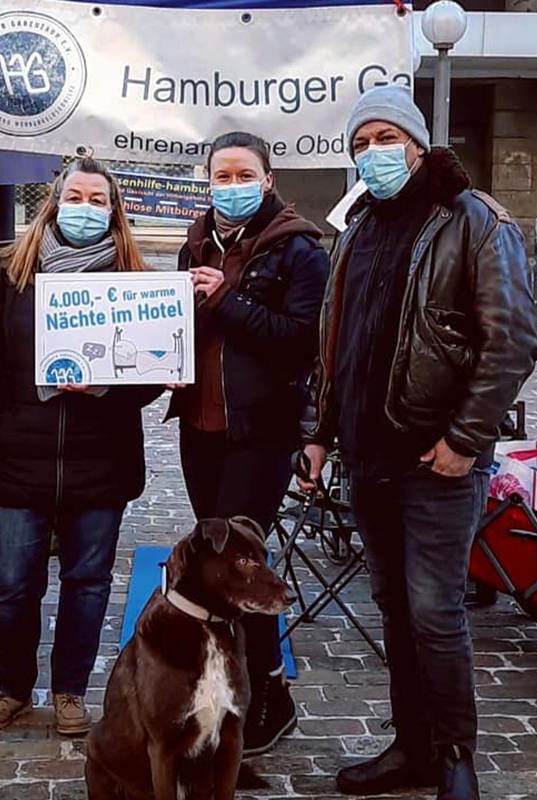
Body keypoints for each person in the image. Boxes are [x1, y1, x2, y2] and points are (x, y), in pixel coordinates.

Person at [300, 85, 537, 800]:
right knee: (396, 610)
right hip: (366, 457)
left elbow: (513, 341)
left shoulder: (474, 222)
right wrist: (319, 434)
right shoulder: (356, 230)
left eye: (385, 138)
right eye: (359, 144)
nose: (372, 153)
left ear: (416, 143)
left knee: (436, 612)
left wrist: (465, 439)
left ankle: (455, 755)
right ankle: (411, 746)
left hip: (438, 461)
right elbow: (335, 346)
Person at [0, 157, 162, 736]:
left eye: (98, 200)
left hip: (101, 461)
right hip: (16, 460)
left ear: (114, 212)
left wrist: (109, 385)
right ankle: (13, 689)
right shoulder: (9, 273)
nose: (85, 209)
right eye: (76, 197)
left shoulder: (135, 281)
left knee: (88, 583)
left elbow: (150, 375)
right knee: (11, 586)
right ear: (54, 203)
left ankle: (70, 690)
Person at [166, 131, 328, 756]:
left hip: (259, 433)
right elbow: (182, 326)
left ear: (267, 180)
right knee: (213, 563)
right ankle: (227, 682)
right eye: (221, 176)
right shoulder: (196, 242)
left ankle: (270, 690)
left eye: (243, 175)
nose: (231, 187)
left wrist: (227, 300)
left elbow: (301, 338)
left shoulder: (299, 249)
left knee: (241, 565)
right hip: (200, 428)